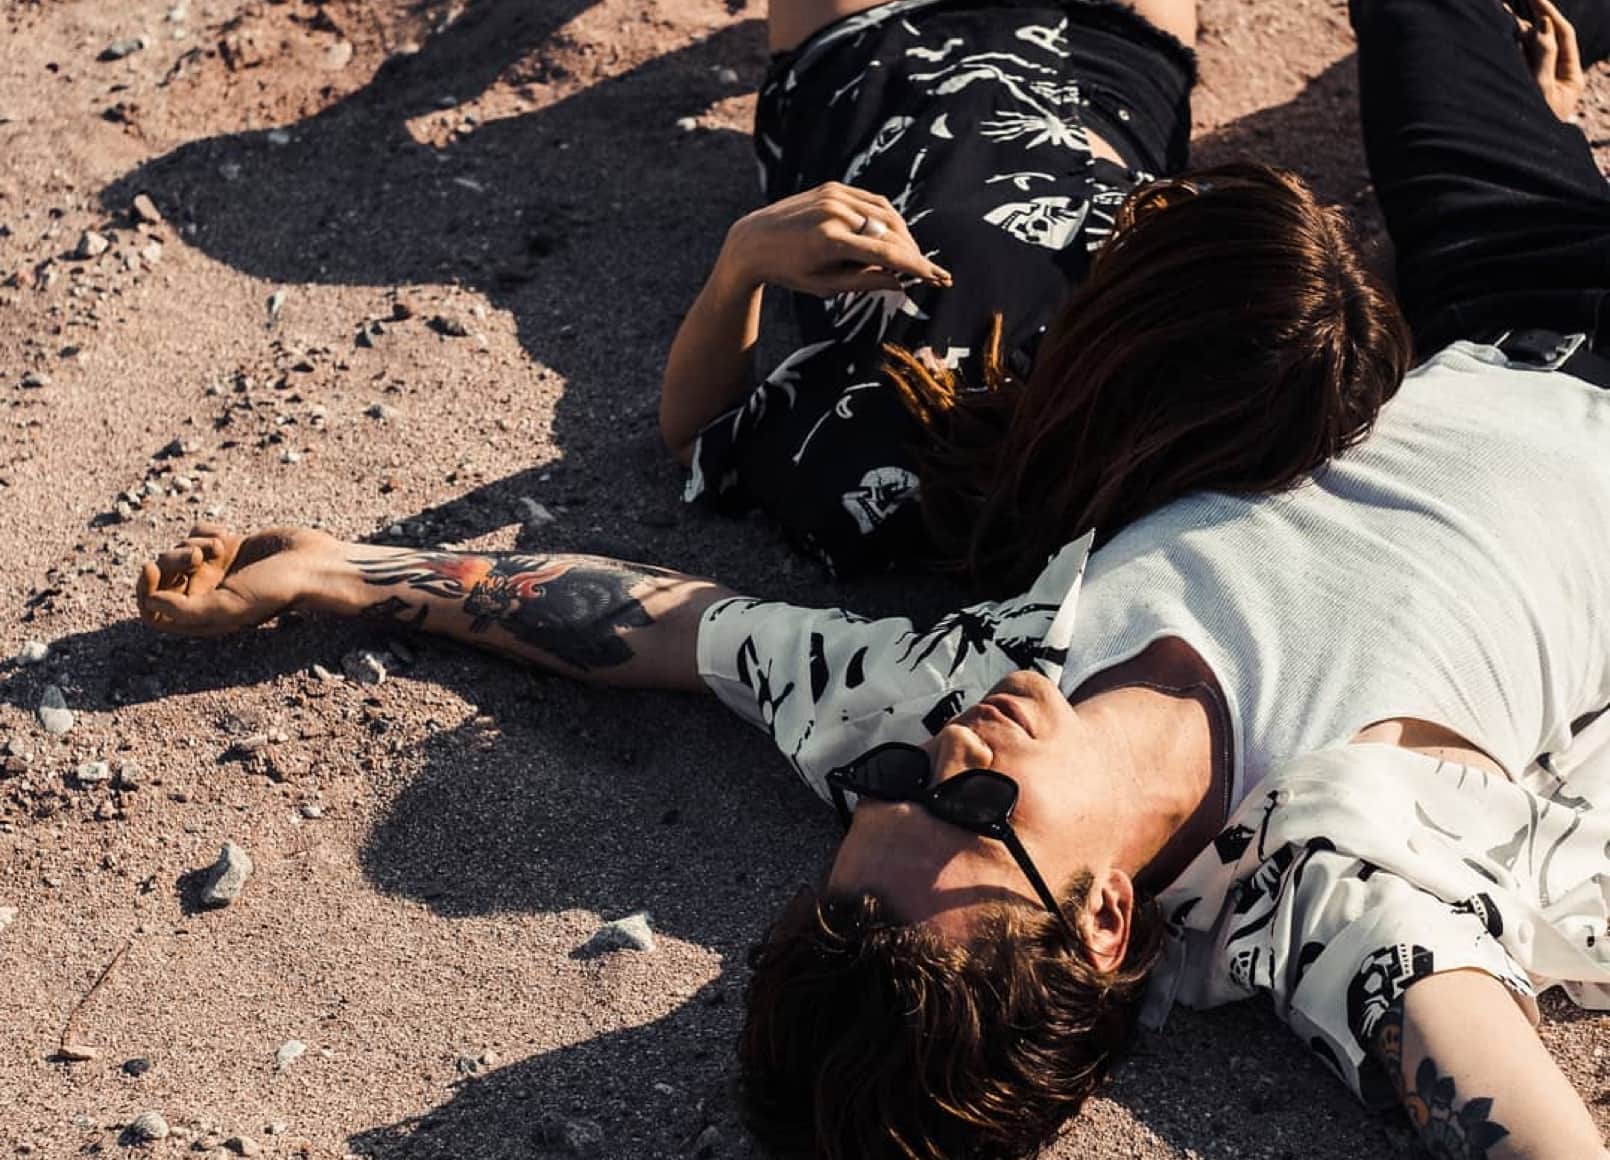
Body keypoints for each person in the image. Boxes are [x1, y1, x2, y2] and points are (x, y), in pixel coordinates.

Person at [132, 0, 1610, 1158]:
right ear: (1102, 921)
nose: (945, 756)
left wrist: (339, 572)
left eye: (895, 786)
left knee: (1426, 21)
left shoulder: (936, 704)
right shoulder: (1323, 897)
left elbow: (668, 629)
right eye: (968, 812)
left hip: (1493, 304)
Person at [662, 0, 1410, 587]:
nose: (1150, 203)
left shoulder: (926, 424)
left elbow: (703, 433)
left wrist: (745, 262)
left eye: (1160, 219)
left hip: (883, 56)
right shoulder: (1276, 372)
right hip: (1116, 65)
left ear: (1142, 313)